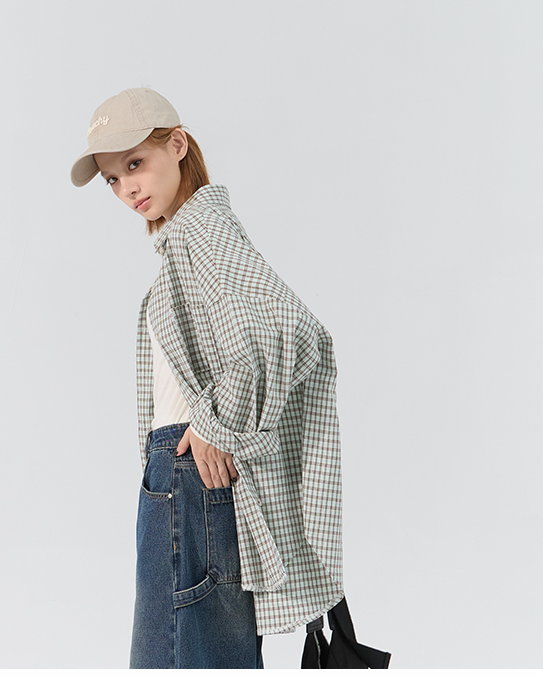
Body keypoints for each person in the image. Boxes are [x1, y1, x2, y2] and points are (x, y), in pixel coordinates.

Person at [71, 87, 343, 669]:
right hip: (185, 476)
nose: (127, 190)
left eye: (135, 164)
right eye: (113, 179)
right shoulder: (187, 239)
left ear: (177, 145)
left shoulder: (204, 230)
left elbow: (290, 329)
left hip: (187, 475)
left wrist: (217, 422)